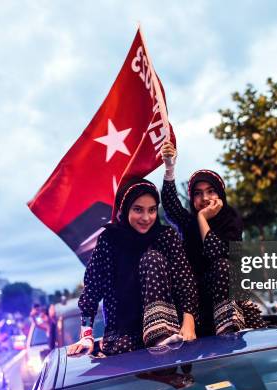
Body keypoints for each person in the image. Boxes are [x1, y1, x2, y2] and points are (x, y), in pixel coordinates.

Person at [67, 178, 198, 356]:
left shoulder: (166, 237)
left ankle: (160, 335)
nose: (146, 218)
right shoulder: (109, 240)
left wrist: (189, 323)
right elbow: (92, 287)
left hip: (171, 335)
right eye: (138, 209)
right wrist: (86, 335)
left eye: (152, 210)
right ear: (125, 208)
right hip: (123, 334)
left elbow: (185, 282)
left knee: (152, 258)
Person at [160, 141, 265, 336]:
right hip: (195, 308)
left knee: (222, 265)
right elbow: (170, 206)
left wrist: (203, 219)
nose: (205, 198)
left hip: (231, 309)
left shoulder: (231, 220)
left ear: (221, 194)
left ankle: (227, 328)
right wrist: (169, 168)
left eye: (211, 191)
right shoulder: (189, 223)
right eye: (198, 194)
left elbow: (217, 254)